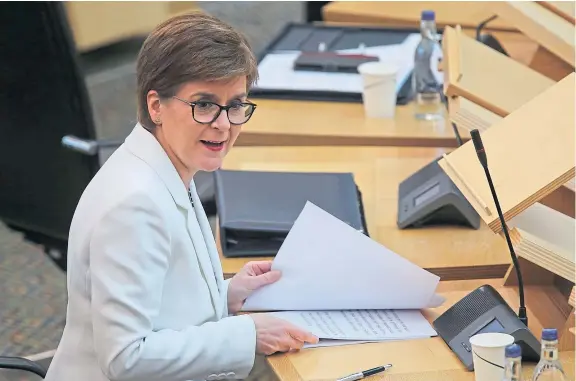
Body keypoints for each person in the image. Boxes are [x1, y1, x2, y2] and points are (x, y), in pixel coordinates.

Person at [44, 11, 318, 381]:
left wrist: (227, 294)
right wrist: (247, 333)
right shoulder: (133, 204)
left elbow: (161, 302)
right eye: (204, 104)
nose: (223, 124)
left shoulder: (167, 165)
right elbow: (127, 357)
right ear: (156, 106)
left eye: (235, 105)